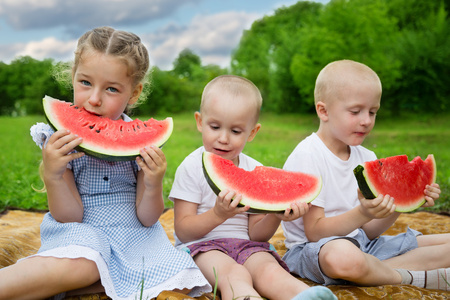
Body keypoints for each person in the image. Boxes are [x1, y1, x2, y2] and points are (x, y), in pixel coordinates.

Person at [0, 26, 210, 300]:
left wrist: (153, 182)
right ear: (73, 77)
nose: (94, 99)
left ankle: (86, 282)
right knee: (87, 263)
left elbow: (147, 218)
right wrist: (53, 174)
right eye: (85, 83)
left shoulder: (140, 141)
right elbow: (69, 216)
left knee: (179, 278)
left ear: (133, 94)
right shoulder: (59, 139)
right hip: (79, 234)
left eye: (111, 89)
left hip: (134, 237)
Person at [282, 59, 450, 291]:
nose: (366, 121)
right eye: (355, 111)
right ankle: (412, 277)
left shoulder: (366, 156)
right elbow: (315, 232)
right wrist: (362, 212)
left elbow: (369, 231)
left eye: (373, 112)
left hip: (364, 244)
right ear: (323, 111)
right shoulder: (308, 155)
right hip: (315, 251)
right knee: (343, 257)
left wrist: (398, 205)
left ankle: (372, 272)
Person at [169, 75, 338, 300]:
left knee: (269, 270)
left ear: (252, 132)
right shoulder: (191, 167)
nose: (223, 138)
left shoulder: (254, 169)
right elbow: (183, 230)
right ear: (200, 122)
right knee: (234, 273)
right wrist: (217, 214)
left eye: (236, 131)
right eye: (215, 126)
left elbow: (256, 234)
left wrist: (277, 213)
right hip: (203, 248)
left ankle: (308, 296)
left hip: (247, 246)